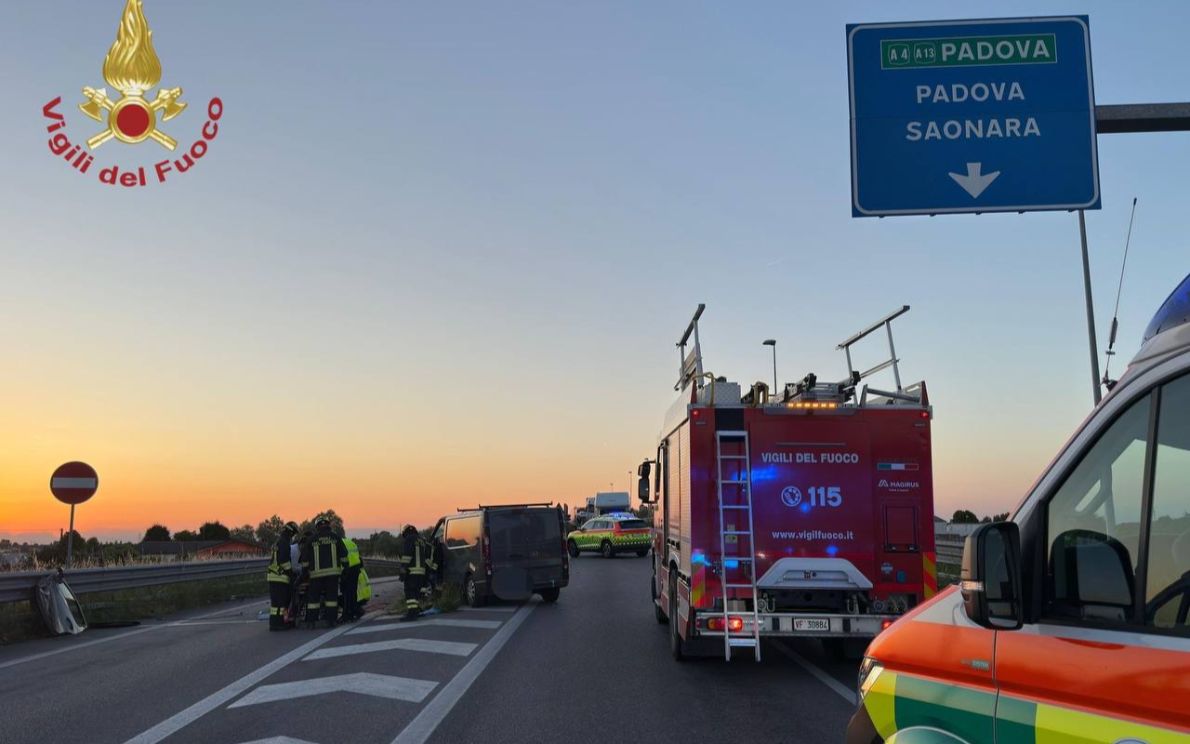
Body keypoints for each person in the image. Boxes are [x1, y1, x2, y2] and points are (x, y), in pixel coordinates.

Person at [300, 517, 347, 628]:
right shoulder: (336, 538)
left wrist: (305, 572)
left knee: (313, 600)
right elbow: (344, 555)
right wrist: (346, 569)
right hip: (333, 575)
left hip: (316, 576)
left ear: (317, 527)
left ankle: (312, 622)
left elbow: (305, 559)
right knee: (331, 598)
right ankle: (331, 620)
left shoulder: (311, 540)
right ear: (328, 525)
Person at [397, 524, 437, 620]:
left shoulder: (409, 539)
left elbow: (407, 556)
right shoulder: (421, 540)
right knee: (416, 592)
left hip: (412, 571)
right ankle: (417, 610)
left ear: (406, 532)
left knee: (409, 592)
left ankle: (412, 613)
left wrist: (403, 570)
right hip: (422, 572)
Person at [265, 521, 299, 631]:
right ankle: (279, 624)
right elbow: (284, 561)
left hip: (273, 576)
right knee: (281, 603)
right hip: (280, 577)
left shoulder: (279, 542)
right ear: (290, 532)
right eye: (293, 534)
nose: (293, 536)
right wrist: (291, 573)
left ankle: (275, 623)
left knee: (276, 605)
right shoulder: (284, 543)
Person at [339, 531, 362, 623]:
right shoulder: (350, 542)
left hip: (347, 569)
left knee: (346, 593)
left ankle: (347, 615)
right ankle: (353, 612)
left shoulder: (339, 543)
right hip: (356, 568)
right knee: (352, 592)